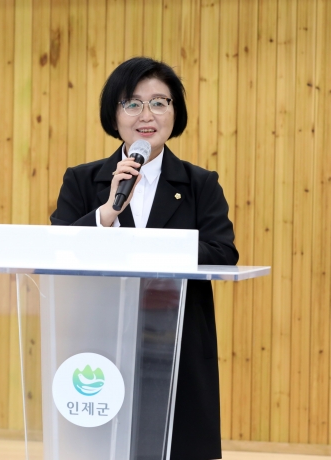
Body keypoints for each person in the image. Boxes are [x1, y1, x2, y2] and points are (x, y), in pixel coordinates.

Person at [50, 56, 238, 459]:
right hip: (99, 346)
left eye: (159, 102)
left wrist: (147, 246)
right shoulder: (83, 181)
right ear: (114, 114)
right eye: (132, 103)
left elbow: (223, 253)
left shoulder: (200, 184)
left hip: (177, 346)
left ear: (175, 112)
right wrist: (106, 215)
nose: (146, 115)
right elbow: (58, 249)